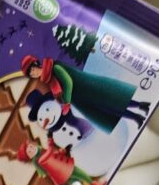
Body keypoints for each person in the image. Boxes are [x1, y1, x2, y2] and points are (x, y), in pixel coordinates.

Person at [21, 53, 150, 133]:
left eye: (32, 70)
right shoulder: (47, 79)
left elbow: (68, 82)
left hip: (87, 88)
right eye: (30, 74)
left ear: (36, 64)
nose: (33, 73)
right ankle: (137, 117)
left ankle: (140, 106)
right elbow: (58, 91)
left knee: (114, 101)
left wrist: (66, 102)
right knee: (109, 110)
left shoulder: (53, 66)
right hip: (81, 98)